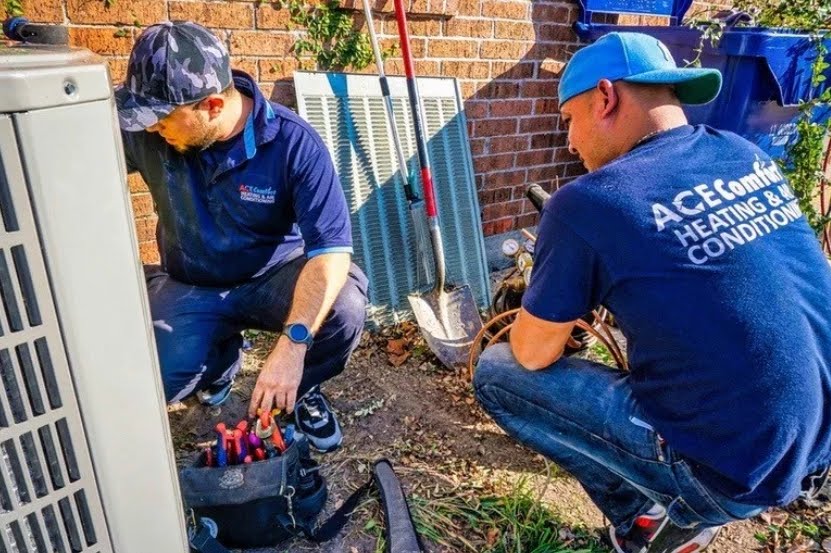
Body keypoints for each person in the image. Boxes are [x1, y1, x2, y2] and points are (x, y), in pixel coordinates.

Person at [474, 32, 831, 553]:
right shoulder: (740, 152)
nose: (570, 143)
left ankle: (645, 519)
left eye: (569, 120)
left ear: (605, 97)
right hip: (818, 446)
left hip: (729, 472)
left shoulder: (586, 204)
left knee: (498, 372)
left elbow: (532, 352)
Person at [115, 21, 368, 453]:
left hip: (271, 279)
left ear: (212, 105)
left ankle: (300, 392)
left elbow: (331, 254)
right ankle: (219, 361)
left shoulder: (293, 144)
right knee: (153, 380)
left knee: (343, 306)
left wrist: (293, 345)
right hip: (191, 281)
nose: (151, 131)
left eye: (160, 122)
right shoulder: (150, 132)